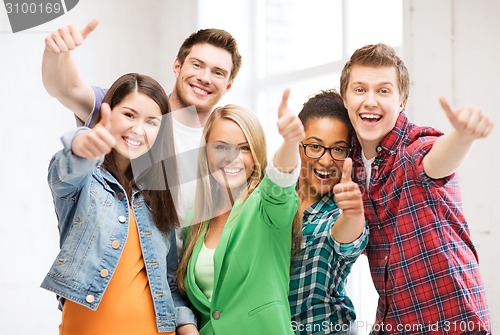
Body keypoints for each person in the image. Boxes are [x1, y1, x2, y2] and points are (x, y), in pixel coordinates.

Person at [339, 43, 492, 334]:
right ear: (345, 99)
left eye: (383, 90)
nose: (370, 100)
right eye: (360, 90)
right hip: (394, 320)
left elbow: (435, 159)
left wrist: (462, 137)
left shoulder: (413, 147)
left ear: (401, 101)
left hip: (452, 321)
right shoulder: (352, 165)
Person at [42, 19, 242, 226]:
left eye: (218, 72)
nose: (205, 78)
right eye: (197, 65)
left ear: (228, 85)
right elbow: (67, 88)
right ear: (177, 66)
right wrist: (57, 54)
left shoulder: (223, 144)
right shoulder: (131, 112)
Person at [41, 73, 198, 334]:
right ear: (109, 114)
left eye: (151, 122)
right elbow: (64, 172)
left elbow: (168, 282)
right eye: (129, 115)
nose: (138, 129)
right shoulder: (86, 180)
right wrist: (83, 147)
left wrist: (187, 325)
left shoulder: (158, 196)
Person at [175, 89, 305, 334]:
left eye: (244, 148)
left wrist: (290, 142)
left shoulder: (265, 207)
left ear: (256, 154)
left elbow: (281, 181)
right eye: (221, 147)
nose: (232, 158)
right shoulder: (195, 218)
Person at [289, 90, 369, 335]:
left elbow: (346, 239)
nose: (325, 161)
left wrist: (353, 213)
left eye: (338, 149)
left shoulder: (338, 211)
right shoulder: (275, 198)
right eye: (315, 146)